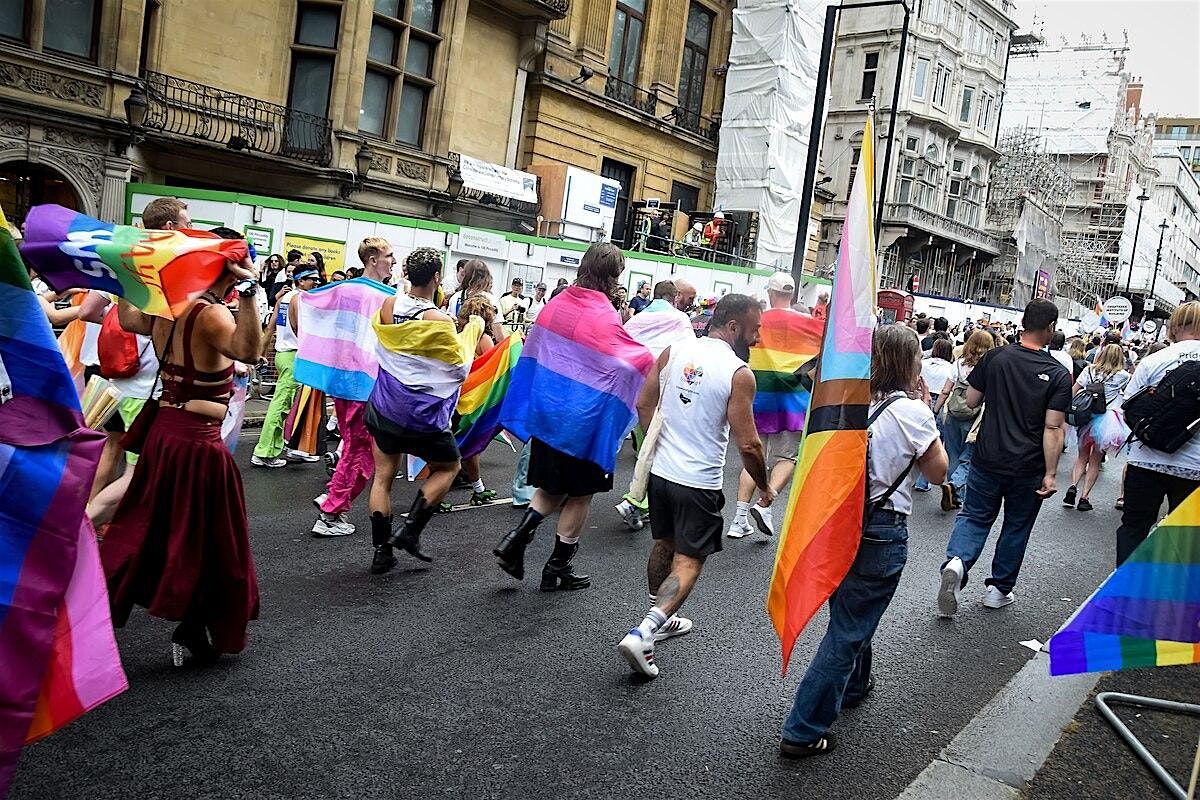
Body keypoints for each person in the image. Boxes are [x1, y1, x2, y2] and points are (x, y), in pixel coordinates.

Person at [780, 324, 947, 757]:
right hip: (882, 528)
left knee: (851, 612)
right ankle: (803, 728)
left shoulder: (844, 402)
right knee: (849, 628)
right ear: (909, 364)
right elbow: (938, 473)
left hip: (835, 523)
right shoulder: (913, 413)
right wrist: (926, 411)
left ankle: (855, 685)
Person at [102, 244, 262, 666]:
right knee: (217, 540)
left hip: (166, 434)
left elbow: (129, 318)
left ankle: (177, 620)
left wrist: (127, 277)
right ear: (230, 267)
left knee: (158, 528)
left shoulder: (169, 308)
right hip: (196, 442)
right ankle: (188, 622)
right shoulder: (211, 313)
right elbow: (249, 352)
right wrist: (250, 289)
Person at [617, 295, 774, 678]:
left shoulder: (674, 351)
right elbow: (749, 445)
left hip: (661, 475)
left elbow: (644, 405)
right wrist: (765, 486)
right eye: (754, 330)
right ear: (733, 327)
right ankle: (645, 631)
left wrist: (662, 443)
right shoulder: (738, 373)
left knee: (664, 544)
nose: (756, 339)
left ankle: (661, 616)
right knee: (688, 561)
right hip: (698, 482)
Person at [494, 242, 653, 591]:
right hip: (584, 421)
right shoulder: (604, 313)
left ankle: (514, 540)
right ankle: (557, 568)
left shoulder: (556, 304)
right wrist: (651, 360)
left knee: (550, 487)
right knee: (579, 495)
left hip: (549, 415)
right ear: (613, 277)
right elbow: (624, 360)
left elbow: (538, 355)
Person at [937, 299, 1071, 617]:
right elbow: (1053, 427)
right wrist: (1051, 473)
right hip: (1029, 465)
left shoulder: (995, 357)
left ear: (1022, 323)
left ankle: (957, 561)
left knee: (974, 516)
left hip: (988, 455)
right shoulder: (1058, 374)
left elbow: (971, 400)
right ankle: (998, 590)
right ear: (1051, 328)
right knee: (1016, 525)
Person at [365, 248, 483, 574]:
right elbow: (457, 367)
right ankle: (410, 531)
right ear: (436, 277)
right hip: (421, 415)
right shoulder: (439, 320)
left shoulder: (389, 305)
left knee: (382, 478)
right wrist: (473, 329)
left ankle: (381, 553)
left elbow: (396, 348)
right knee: (449, 467)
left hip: (385, 405)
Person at [309, 238, 396, 538]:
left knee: (351, 446)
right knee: (361, 451)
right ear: (373, 259)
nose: (393, 261)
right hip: (365, 383)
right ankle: (331, 512)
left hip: (342, 380)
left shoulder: (342, 289)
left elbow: (301, 305)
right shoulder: (388, 297)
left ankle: (333, 496)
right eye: (389, 256)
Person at [729, 271, 819, 538]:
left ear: (770, 293)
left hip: (758, 397)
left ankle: (739, 519)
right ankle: (765, 504)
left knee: (753, 456)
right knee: (787, 457)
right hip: (794, 400)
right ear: (793, 294)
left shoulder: (757, 321)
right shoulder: (809, 324)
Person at [1113, 302, 1200, 565]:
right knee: (1187, 537)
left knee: (1134, 527)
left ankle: (1127, 584)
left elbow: (1129, 407)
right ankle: (1174, 588)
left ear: (1174, 326)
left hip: (1145, 460)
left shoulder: (1154, 360)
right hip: (1194, 467)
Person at [614, 279, 698, 530]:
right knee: (656, 446)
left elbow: (622, 346)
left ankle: (639, 501)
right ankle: (636, 501)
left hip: (635, 388)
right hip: (663, 391)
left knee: (645, 444)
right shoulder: (680, 320)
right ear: (674, 298)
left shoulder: (638, 319)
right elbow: (689, 352)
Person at [252, 261, 320, 467]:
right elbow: (302, 331)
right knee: (281, 406)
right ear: (301, 281)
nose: (316, 283)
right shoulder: (299, 299)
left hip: (283, 355)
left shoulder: (284, 298)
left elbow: (270, 328)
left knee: (284, 406)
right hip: (293, 356)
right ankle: (263, 452)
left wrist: (261, 353)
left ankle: (274, 450)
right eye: (313, 280)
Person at [1063, 343, 1131, 512]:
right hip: (1107, 421)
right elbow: (1129, 397)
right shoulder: (1123, 376)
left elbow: (1073, 390)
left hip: (1086, 417)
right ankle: (1084, 497)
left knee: (1081, 457)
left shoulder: (1089, 370)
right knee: (1094, 461)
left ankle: (1072, 487)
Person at [932, 330, 994, 511]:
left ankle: (955, 494)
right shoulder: (989, 367)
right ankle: (955, 485)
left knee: (952, 454)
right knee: (969, 458)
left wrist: (936, 409)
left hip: (953, 413)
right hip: (975, 416)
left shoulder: (958, 364)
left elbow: (945, 390)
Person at [913, 338, 956, 493]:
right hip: (940, 402)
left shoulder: (924, 364)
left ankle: (913, 477)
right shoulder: (950, 368)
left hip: (921, 396)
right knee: (933, 440)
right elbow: (947, 390)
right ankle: (923, 481)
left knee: (916, 437)